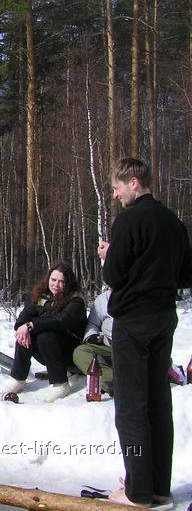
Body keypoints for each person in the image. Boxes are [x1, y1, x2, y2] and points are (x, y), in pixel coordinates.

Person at [98, 157, 192, 508]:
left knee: (132, 408)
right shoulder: (173, 222)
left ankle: (138, 493)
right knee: (158, 403)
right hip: (164, 319)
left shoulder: (128, 220)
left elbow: (114, 277)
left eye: (117, 186)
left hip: (134, 322)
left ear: (133, 182)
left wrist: (109, 255)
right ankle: (159, 488)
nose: (115, 192)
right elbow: (187, 276)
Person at [3, 261, 86, 402]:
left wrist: (31, 325)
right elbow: (24, 317)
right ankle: (18, 378)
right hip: (48, 353)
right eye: (53, 280)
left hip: (71, 353)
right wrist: (23, 328)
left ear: (68, 284)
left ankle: (61, 384)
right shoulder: (42, 296)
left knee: (45, 335)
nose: (56, 284)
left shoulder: (76, 301)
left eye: (61, 282)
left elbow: (60, 321)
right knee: (25, 333)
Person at [72, 288, 114, 395]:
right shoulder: (102, 299)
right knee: (80, 353)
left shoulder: (139, 294)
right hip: (109, 347)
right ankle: (115, 382)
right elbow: (93, 323)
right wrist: (92, 335)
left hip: (135, 349)